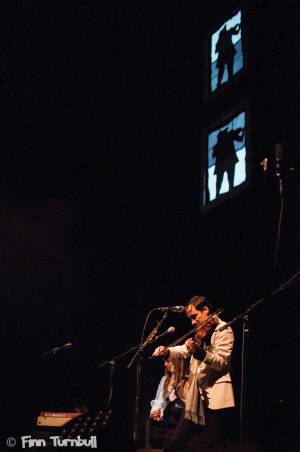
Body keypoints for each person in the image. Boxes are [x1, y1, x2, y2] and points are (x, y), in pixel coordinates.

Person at [152, 295, 235, 451]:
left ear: (206, 310)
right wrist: (167, 351)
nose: (192, 322)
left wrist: (201, 353)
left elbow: (221, 361)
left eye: (194, 316)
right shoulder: (201, 331)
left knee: (212, 445)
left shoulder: (224, 329)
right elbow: (184, 350)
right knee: (174, 444)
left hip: (215, 397)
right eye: (190, 318)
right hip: (195, 397)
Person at [150, 357, 188, 426]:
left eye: (167, 361)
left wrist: (179, 400)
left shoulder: (187, 380)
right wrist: (155, 411)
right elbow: (159, 399)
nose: (165, 364)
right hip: (167, 416)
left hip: (181, 417)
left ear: (177, 362)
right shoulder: (165, 379)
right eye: (165, 362)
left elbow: (190, 404)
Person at [212, 127, 244, 196]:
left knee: (225, 179)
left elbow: (213, 155)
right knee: (224, 179)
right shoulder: (228, 138)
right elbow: (213, 155)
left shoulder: (226, 139)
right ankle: (219, 193)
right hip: (225, 161)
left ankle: (221, 192)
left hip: (225, 161)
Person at [215, 23, 241, 88]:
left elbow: (236, 31)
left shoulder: (225, 35)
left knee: (227, 67)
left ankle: (226, 80)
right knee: (225, 68)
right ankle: (221, 83)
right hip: (225, 53)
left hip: (227, 53)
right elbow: (236, 31)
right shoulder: (224, 36)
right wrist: (238, 27)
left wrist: (238, 26)